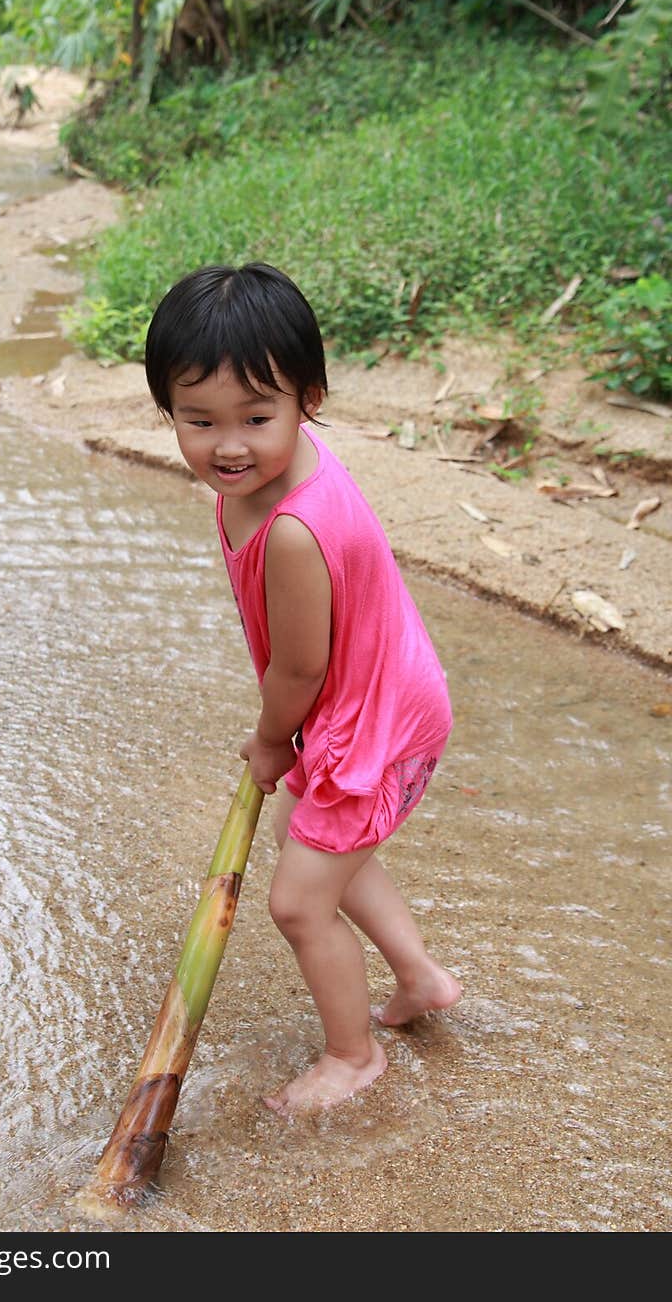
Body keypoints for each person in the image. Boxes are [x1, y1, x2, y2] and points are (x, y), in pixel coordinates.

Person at [144, 262, 462, 1113]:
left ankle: (354, 1057)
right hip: (368, 702)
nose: (229, 445)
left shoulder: (293, 529)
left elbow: (299, 667)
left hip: (377, 721)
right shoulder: (258, 478)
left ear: (307, 399)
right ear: (167, 411)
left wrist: (272, 739)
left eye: (256, 416)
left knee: (296, 903)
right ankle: (421, 977)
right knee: (311, 835)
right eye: (198, 420)